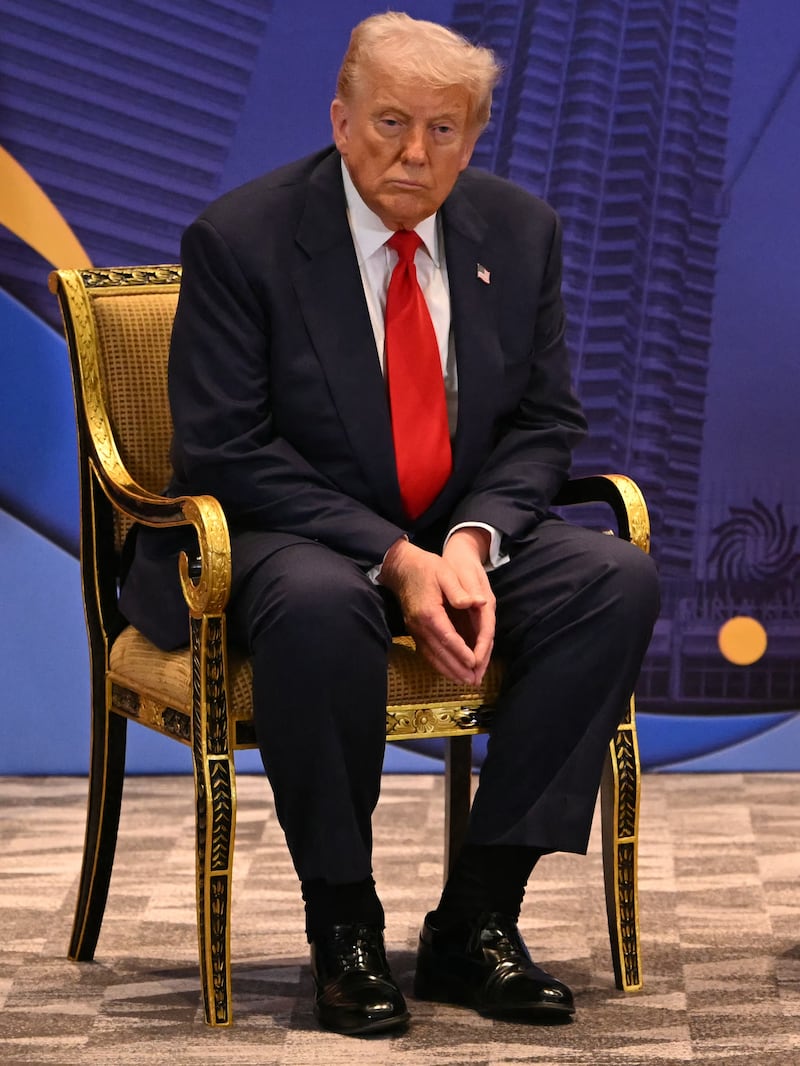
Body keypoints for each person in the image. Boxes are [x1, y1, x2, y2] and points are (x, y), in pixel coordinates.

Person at [120, 11, 659, 1036]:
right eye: (390, 123)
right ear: (340, 119)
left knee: (612, 580)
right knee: (323, 606)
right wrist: (393, 556)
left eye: (443, 129)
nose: (415, 153)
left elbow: (544, 422)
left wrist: (469, 542)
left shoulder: (520, 231)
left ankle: (477, 918)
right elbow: (226, 449)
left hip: (451, 526)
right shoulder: (241, 238)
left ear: (473, 136)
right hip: (287, 532)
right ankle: (345, 927)